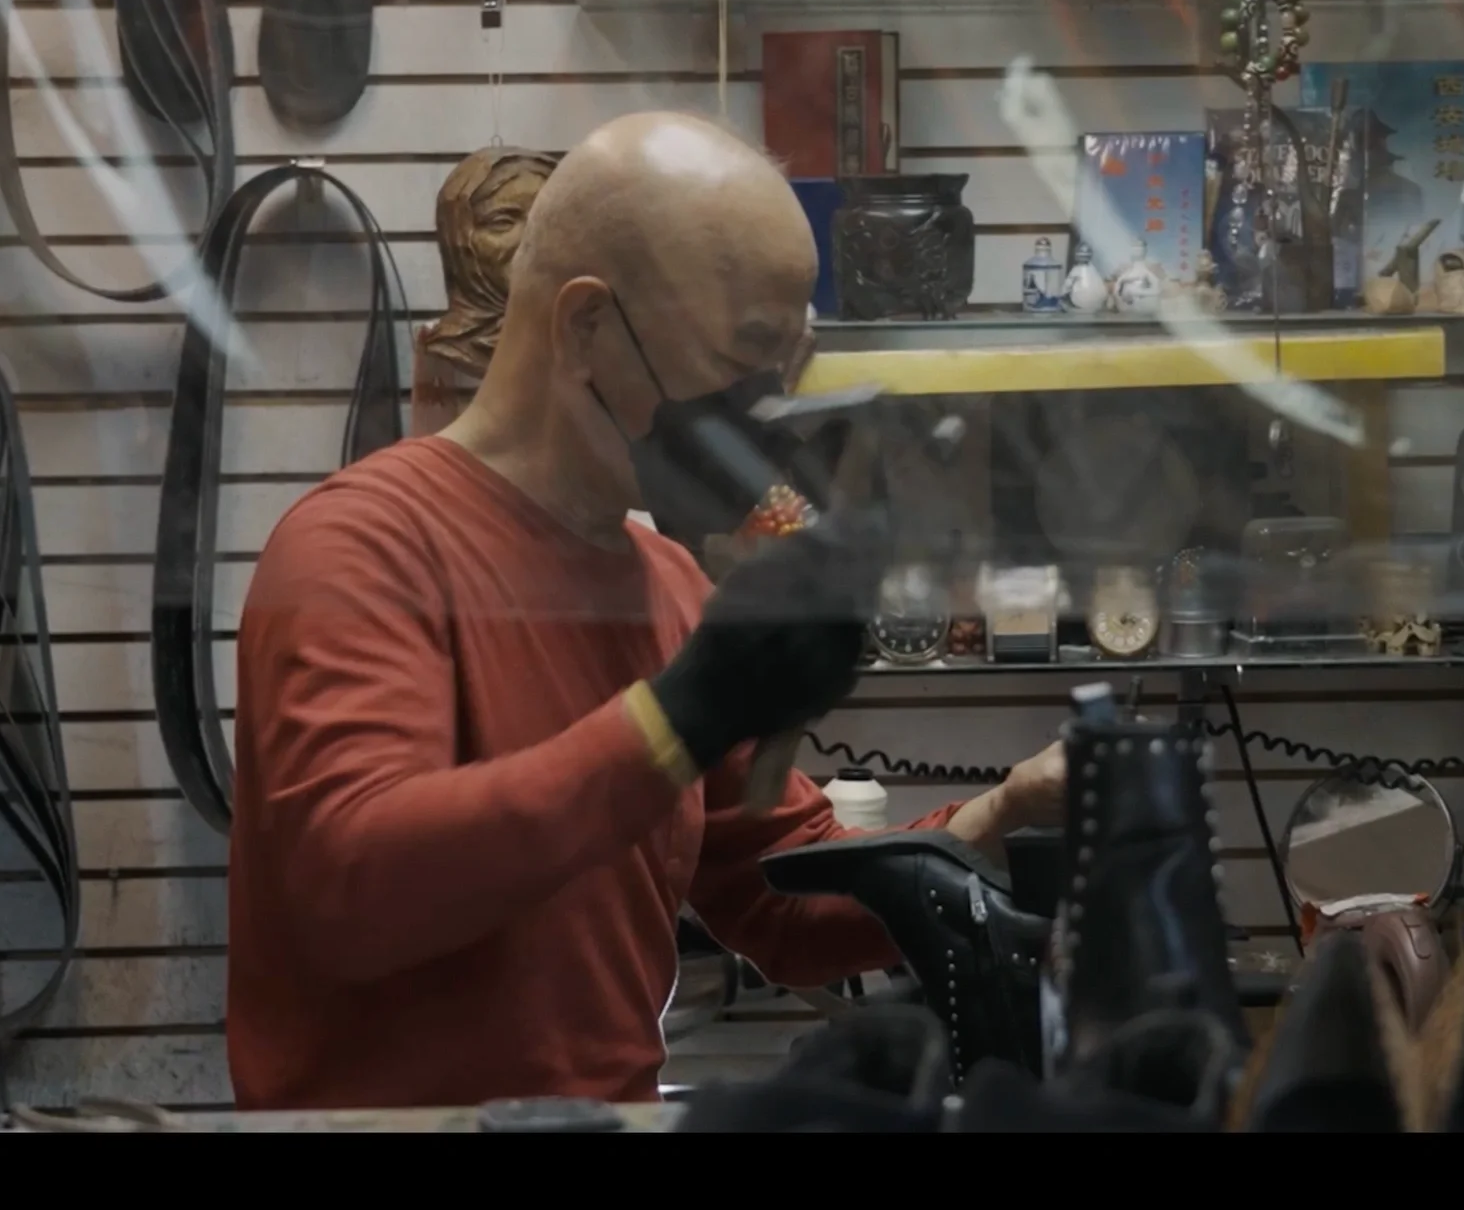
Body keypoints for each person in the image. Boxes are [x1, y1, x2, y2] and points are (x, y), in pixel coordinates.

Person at [224, 112, 1066, 1110]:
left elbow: (778, 898)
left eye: (786, 364)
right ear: (585, 329)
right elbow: (357, 891)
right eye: (744, 355)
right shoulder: (362, 551)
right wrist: (681, 716)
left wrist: (1001, 814)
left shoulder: (664, 580)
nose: (768, 405)